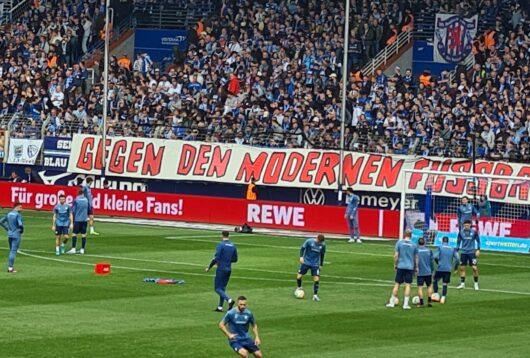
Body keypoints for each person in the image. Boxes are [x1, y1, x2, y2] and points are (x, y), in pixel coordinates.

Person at [206, 231, 238, 312]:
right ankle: (220, 307)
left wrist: (209, 267)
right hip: (228, 269)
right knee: (222, 288)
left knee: (217, 288)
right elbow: (235, 259)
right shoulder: (233, 246)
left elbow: (216, 257)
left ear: (222, 236)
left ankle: (229, 300)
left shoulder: (221, 245)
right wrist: (227, 260)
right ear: (228, 236)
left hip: (221, 269)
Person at [386, 229, 419, 309]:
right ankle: (405, 304)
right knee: (408, 285)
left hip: (401, 266)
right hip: (409, 267)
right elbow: (416, 257)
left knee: (397, 284)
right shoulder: (414, 245)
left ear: (404, 234)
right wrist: (417, 267)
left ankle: (391, 303)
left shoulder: (399, 243)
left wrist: (395, 264)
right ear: (411, 235)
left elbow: (396, 255)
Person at [296, 234, 326, 301]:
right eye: (318, 241)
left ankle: (315, 295)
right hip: (306, 262)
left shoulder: (323, 245)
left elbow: (322, 255)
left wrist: (321, 264)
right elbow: (302, 248)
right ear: (317, 238)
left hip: (315, 264)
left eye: (320, 242)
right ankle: (299, 287)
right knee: (299, 276)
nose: (319, 243)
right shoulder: (309, 241)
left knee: (316, 279)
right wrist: (301, 257)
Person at [433, 236, 460, 304]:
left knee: (435, 280)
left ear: (442, 241)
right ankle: (443, 297)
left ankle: (436, 294)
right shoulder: (452, 248)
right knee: (445, 283)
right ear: (448, 241)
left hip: (440, 268)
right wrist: (456, 268)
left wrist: (438, 262)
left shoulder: (440, 247)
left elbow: (435, 256)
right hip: (448, 269)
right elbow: (457, 259)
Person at [456, 220, 481, 290]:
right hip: (464, 252)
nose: (466, 226)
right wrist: (457, 250)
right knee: (462, 268)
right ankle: (462, 284)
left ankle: (476, 284)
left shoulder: (474, 232)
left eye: (467, 225)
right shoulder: (461, 232)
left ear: (470, 225)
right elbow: (458, 241)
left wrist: (478, 249)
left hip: (472, 253)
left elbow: (478, 241)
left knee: (474, 268)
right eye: (465, 225)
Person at [0, 202, 24, 272]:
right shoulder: (18, 215)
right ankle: (10, 268)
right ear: (16, 207)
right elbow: (20, 225)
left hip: (10, 234)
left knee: (11, 251)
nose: (22, 208)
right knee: (13, 251)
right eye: (20, 207)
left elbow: (1, 222)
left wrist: (7, 228)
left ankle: (10, 267)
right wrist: (21, 230)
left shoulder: (9, 214)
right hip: (16, 235)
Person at [66, 190, 90, 255]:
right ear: (83, 194)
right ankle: (82, 249)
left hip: (78, 220)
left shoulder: (76, 200)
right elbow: (89, 209)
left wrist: (71, 221)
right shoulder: (86, 200)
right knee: (84, 234)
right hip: (84, 220)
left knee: (74, 234)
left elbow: (73, 211)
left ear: (78, 194)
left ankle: (73, 248)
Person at [416, 237, 433, 307]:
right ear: (424, 243)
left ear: (418, 243)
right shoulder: (429, 250)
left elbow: (415, 261)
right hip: (428, 271)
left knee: (420, 287)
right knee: (429, 286)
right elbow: (431, 261)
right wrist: (432, 270)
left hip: (420, 272)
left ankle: (421, 302)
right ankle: (429, 301)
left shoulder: (416, 251)